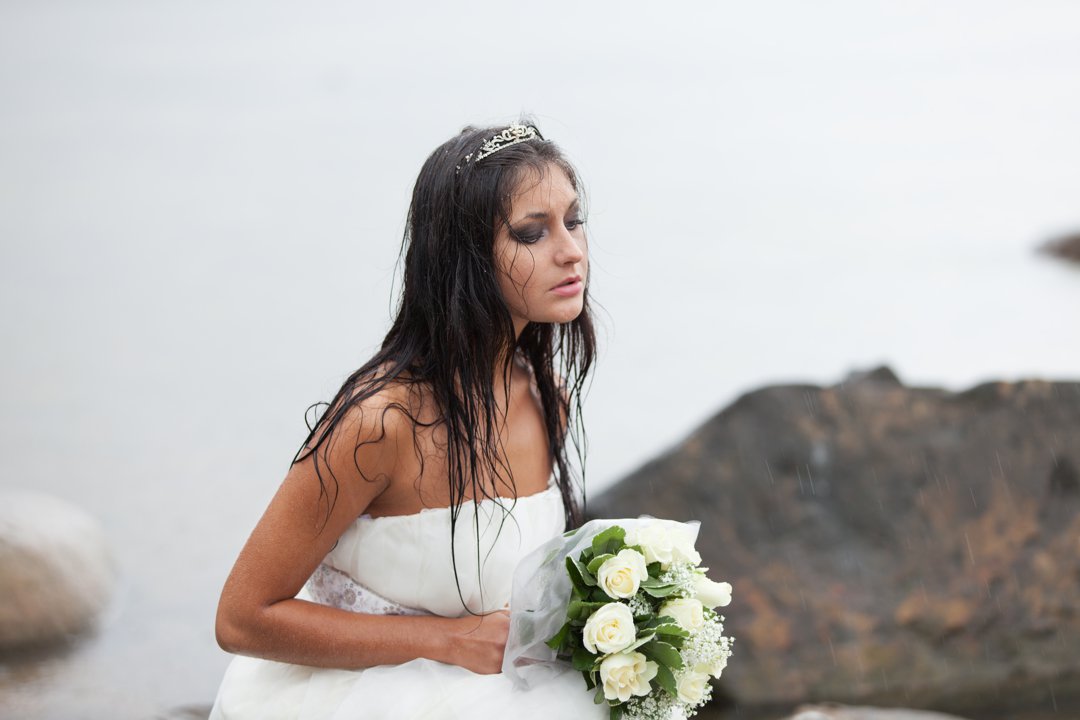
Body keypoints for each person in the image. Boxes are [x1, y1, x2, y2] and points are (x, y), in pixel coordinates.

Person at [209, 120, 608, 719]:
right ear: (464, 258)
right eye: (532, 232)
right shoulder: (381, 422)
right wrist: (447, 640)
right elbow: (242, 617)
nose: (571, 250)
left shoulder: (544, 392)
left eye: (572, 221)